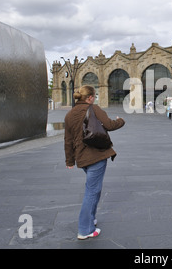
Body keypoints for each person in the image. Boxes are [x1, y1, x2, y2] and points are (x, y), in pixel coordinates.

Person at [64, 85, 125, 240]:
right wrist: (121, 121)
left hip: (82, 158)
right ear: (90, 97)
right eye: (94, 96)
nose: (95, 98)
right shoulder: (93, 108)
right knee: (92, 192)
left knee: (94, 189)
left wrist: (70, 160)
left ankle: (90, 219)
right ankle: (85, 229)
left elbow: (68, 141)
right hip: (96, 155)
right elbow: (110, 125)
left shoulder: (69, 115)